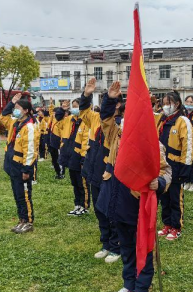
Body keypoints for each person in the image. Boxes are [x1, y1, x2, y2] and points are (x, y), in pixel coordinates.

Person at [100, 82, 172, 292]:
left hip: (137, 205)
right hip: (117, 202)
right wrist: (110, 100)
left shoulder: (153, 145)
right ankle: (129, 283)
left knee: (143, 249)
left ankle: (142, 285)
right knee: (127, 248)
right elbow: (105, 121)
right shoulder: (118, 135)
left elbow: (166, 172)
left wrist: (158, 183)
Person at [80, 77, 121, 263]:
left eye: (110, 102)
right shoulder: (96, 118)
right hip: (94, 170)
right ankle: (105, 243)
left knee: (110, 210)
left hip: (109, 172)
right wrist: (86, 95)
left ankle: (116, 246)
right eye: (104, 100)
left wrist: (110, 101)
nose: (105, 105)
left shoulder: (118, 124)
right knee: (99, 209)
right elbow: (83, 112)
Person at [157, 91, 193, 241]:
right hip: (162, 164)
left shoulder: (182, 120)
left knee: (175, 198)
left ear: (177, 104)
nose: (166, 106)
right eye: (164, 103)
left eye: (168, 103)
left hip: (176, 165)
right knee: (164, 196)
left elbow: (189, 145)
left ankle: (176, 226)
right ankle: (167, 224)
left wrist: (186, 168)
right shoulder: (162, 120)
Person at [1, 93, 37, 234]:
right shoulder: (15, 123)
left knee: (24, 195)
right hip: (13, 165)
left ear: (26, 110)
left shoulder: (29, 127)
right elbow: (3, 117)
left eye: (18, 107)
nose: (15, 110)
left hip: (22, 166)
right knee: (17, 194)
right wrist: (11, 103)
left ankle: (28, 221)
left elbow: (30, 151)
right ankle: (21, 220)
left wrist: (26, 170)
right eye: (15, 107)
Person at [56, 98, 90, 216]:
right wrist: (62, 110)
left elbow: (86, 141)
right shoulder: (70, 119)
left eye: (76, 106)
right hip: (69, 155)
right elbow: (58, 122)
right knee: (74, 182)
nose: (73, 109)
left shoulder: (86, 121)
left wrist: (83, 159)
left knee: (82, 183)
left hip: (79, 156)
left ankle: (84, 206)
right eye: (72, 106)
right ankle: (77, 204)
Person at [48, 99, 65, 179]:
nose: (54, 115)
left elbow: (63, 133)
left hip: (58, 142)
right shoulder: (54, 119)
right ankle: (57, 172)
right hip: (52, 142)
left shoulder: (62, 121)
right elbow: (51, 111)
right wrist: (51, 103)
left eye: (56, 113)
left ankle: (61, 173)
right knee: (54, 158)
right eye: (54, 113)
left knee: (59, 158)